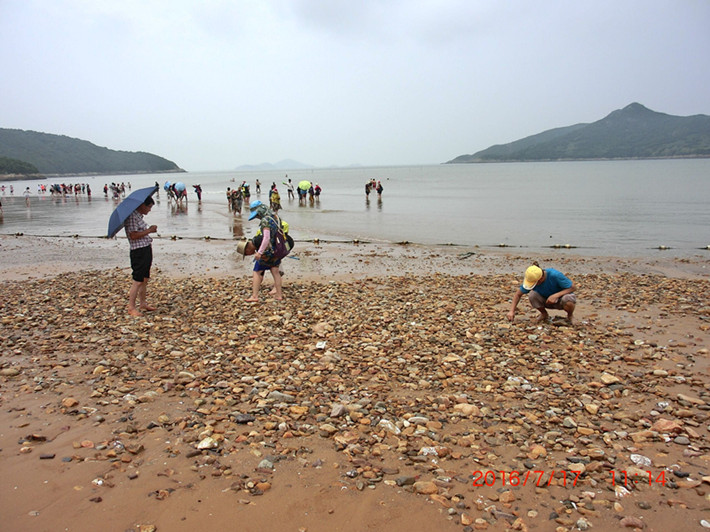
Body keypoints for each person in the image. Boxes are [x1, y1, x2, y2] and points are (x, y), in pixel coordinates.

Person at [507, 263, 577, 324]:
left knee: (567, 298)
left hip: (561, 300)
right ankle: (544, 314)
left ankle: (570, 315)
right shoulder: (532, 279)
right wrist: (511, 311)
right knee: (532, 295)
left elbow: (573, 287)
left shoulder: (555, 275)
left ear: (541, 278)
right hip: (546, 301)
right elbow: (518, 294)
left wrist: (556, 295)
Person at [124, 197, 158, 317]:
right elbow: (133, 235)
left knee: (144, 278)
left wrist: (149, 231)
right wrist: (149, 230)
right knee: (137, 280)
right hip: (138, 251)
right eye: (149, 207)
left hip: (145, 248)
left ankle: (143, 303)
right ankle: (131, 307)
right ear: (142, 205)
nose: (149, 210)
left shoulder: (138, 216)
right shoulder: (132, 217)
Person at [244, 201, 284, 302]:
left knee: (257, 271)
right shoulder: (275, 217)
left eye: (257, 215)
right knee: (275, 271)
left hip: (267, 252)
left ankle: (254, 296)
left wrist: (260, 252)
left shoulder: (265, 221)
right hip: (277, 250)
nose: (257, 217)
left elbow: (266, 238)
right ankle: (279, 295)